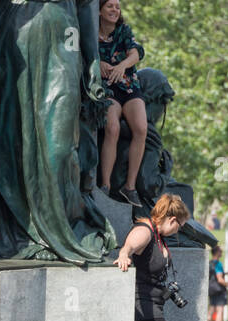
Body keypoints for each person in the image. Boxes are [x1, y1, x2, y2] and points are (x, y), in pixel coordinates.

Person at [116, 193, 190, 321]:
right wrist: (124, 255)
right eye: (179, 226)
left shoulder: (158, 234)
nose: (177, 231)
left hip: (154, 302)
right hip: (143, 303)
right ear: (172, 220)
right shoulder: (145, 230)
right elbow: (129, 246)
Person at [96, 0, 146, 205]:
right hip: (108, 89)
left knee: (141, 128)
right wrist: (96, 63)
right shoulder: (91, 33)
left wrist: (122, 66)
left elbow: (136, 53)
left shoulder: (123, 30)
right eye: (110, 6)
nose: (115, 10)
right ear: (99, 10)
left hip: (128, 86)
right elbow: (83, 55)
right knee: (112, 128)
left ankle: (130, 187)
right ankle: (106, 185)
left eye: (117, 7)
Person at [206, 245, 228, 321]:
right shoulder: (218, 264)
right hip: (219, 289)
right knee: (219, 311)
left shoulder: (209, 263)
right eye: (220, 251)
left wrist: (226, 273)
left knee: (211, 309)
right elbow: (219, 279)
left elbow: (213, 275)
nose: (222, 253)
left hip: (211, 289)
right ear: (217, 252)